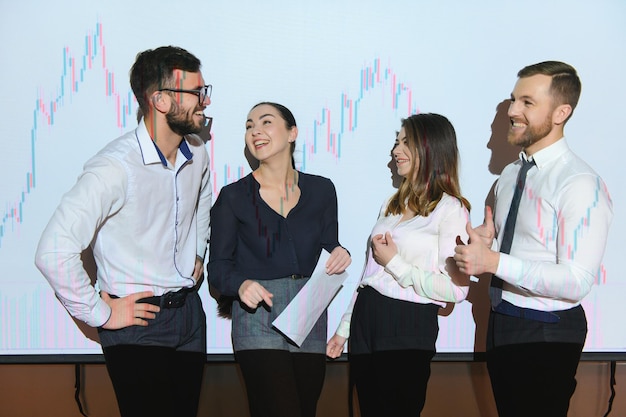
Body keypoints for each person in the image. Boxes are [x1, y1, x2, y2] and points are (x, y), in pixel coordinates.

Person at [34, 46, 212, 417]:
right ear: (160, 100)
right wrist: (100, 313)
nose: (204, 102)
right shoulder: (115, 167)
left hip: (190, 317)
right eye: (196, 93)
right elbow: (53, 251)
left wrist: (197, 250)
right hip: (138, 324)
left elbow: (202, 202)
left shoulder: (197, 152)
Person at [453, 61, 613, 417]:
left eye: (527, 102)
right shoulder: (510, 175)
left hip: (547, 331)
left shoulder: (580, 183)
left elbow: (576, 281)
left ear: (561, 112)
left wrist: (494, 262)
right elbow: (524, 247)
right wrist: (487, 244)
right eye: (513, 100)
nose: (512, 111)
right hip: (502, 321)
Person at [208, 102, 351, 417]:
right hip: (258, 316)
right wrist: (241, 284)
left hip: (309, 315)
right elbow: (217, 268)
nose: (255, 131)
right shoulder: (232, 197)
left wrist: (342, 253)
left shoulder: (322, 190)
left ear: (292, 133)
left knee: (304, 409)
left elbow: (330, 246)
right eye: (249, 125)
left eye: (266, 122)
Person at [327, 113, 472, 416]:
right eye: (397, 142)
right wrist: (344, 329)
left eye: (406, 142)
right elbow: (370, 275)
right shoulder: (391, 205)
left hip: (408, 322)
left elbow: (457, 290)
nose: (396, 150)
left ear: (432, 148)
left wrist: (396, 263)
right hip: (368, 318)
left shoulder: (450, 208)